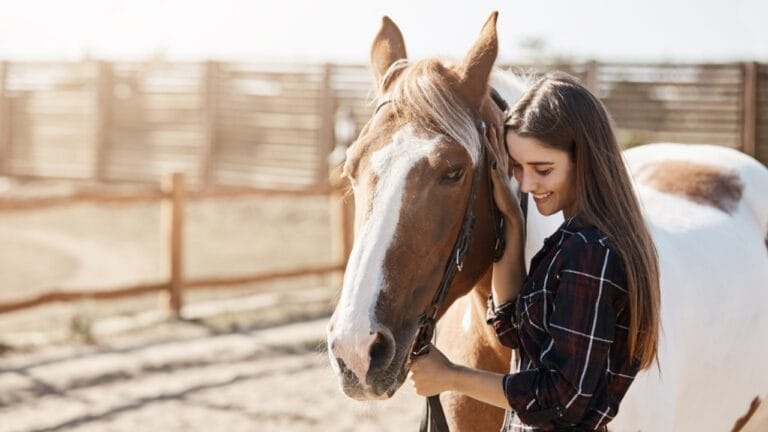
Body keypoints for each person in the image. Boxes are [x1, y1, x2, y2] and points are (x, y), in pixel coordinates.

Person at [408, 72, 661, 432]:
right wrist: (512, 220)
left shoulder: (590, 254)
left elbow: (561, 400)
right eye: (518, 168)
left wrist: (451, 377)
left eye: (542, 169)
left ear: (584, 158)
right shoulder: (568, 241)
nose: (527, 184)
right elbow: (515, 331)